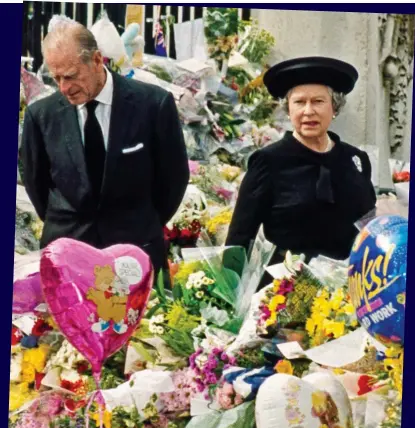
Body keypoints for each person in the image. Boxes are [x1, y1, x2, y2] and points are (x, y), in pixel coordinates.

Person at [21, 21, 189, 278]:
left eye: (71, 75)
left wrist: (140, 222)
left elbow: (174, 179)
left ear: (97, 60)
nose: (64, 88)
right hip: (68, 258)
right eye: (56, 78)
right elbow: (37, 185)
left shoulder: (153, 105)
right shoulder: (41, 116)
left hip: (136, 253)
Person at [225, 56, 377, 270]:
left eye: (318, 101)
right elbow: (240, 237)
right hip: (285, 290)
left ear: (335, 108)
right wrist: (231, 292)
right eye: (299, 102)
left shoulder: (356, 160)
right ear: (288, 109)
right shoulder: (268, 161)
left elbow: (369, 225)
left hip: (351, 286)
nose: (308, 111)